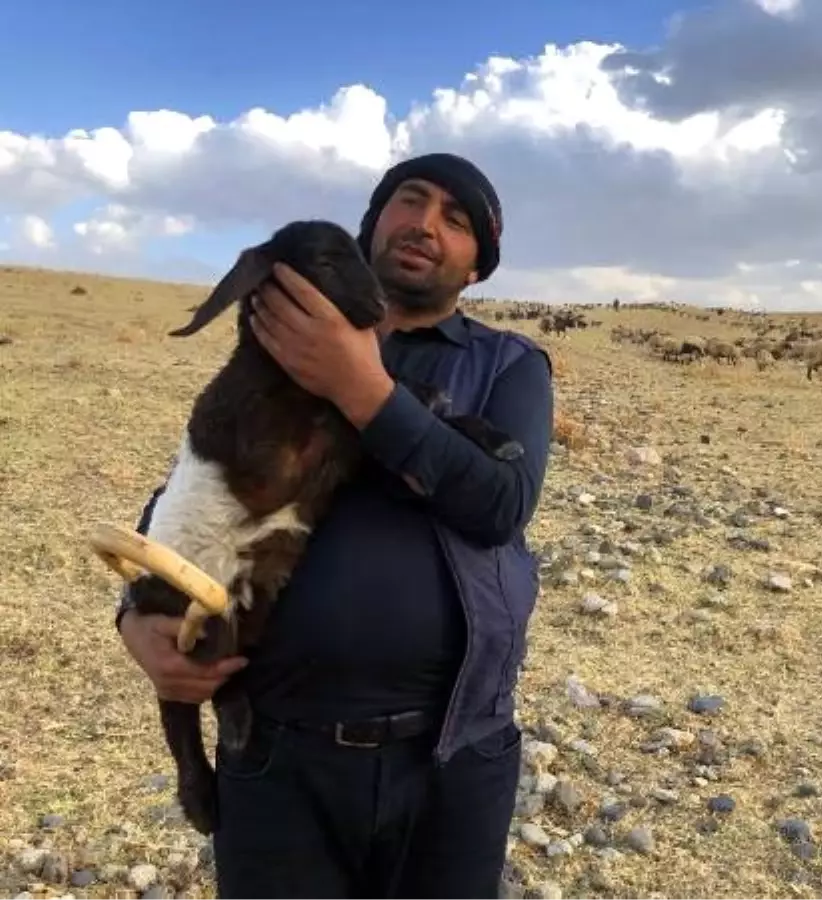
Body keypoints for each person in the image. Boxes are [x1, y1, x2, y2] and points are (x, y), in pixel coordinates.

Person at [113, 152, 554, 899]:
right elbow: (198, 484)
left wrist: (361, 387)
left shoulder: (506, 368)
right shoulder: (283, 342)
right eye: (409, 201)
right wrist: (133, 620)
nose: (425, 224)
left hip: (452, 755)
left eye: (456, 220)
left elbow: (501, 504)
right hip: (278, 753)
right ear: (371, 224)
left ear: (479, 266)